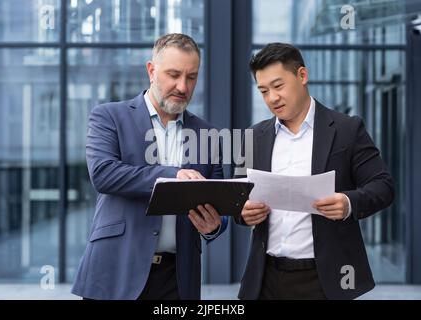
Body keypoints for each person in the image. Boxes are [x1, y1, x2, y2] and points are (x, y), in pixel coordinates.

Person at [72, 33, 228, 300]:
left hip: (177, 278)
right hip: (116, 269)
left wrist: (215, 226)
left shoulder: (207, 133)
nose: (183, 86)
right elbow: (104, 174)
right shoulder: (109, 116)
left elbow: (219, 200)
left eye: (191, 77)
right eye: (174, 74)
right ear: (151, 71)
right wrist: (173, 174)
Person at [236, 43, 395, 300]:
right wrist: (242, 211)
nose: (272, 98)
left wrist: (347, 203)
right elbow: (237, 197)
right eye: (263, 91)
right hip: (264, 278)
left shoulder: (347, 129)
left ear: (302, 76)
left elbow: (383, 186)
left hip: (323, 279)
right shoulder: (252, 137)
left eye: (278, 86)